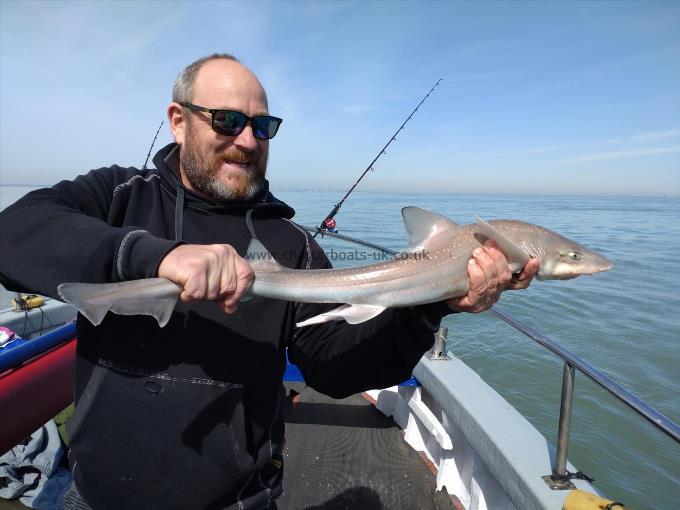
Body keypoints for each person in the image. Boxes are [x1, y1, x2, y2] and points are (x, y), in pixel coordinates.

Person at [0, 53, 539, 510]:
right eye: (227, 120)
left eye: (263, 126)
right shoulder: (119, 197)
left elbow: (337, 367)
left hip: (238, 499)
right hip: (94, 496)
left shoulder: (293, 245)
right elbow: (14, 234)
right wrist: (154, 255)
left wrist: (429, 305)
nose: (248, 139)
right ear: (178, 119)